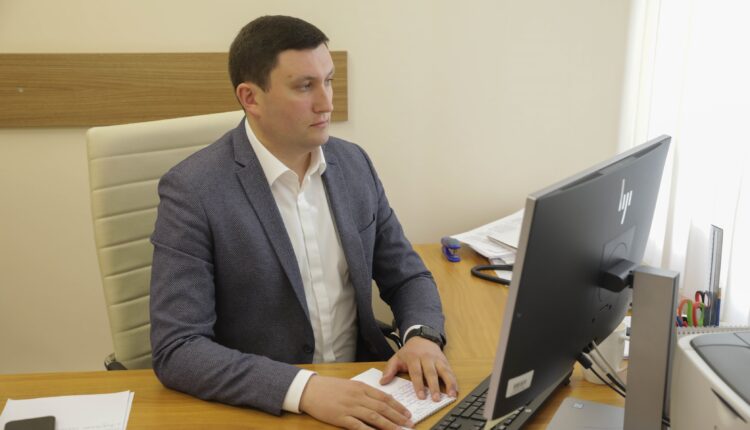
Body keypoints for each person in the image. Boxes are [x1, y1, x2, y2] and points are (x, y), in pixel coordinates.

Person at [149, 15, 457, 429]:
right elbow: (178, 348)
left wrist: (421, 336)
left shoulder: (354, 164)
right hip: (266, 407)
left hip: (365, 386)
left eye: (328, 81)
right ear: (250, 98)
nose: (326, 103)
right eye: (305, 86)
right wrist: (303, 389)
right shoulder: (193, 191)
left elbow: (406, 276)